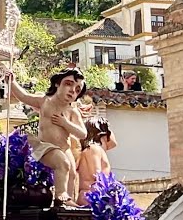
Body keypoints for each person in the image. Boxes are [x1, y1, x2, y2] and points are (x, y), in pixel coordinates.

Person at [8, 68, 90, 208]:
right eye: (68, 84)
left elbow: (82, 133)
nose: (72, 90)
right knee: (62, 163)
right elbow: (24, 96)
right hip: (45, 146)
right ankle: (60, 195)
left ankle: (68, 200)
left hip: (64, 147)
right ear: (58, 83)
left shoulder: (72, 111)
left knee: (71, 173)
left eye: (77, 89)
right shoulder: (44, 101)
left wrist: (66, 123)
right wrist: (12, 82)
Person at [77, 117, 118, 205]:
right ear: (103, 132)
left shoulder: (95, 149)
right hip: (92, 198)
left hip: (94, 197)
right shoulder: (93, 149)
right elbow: (96, 176)